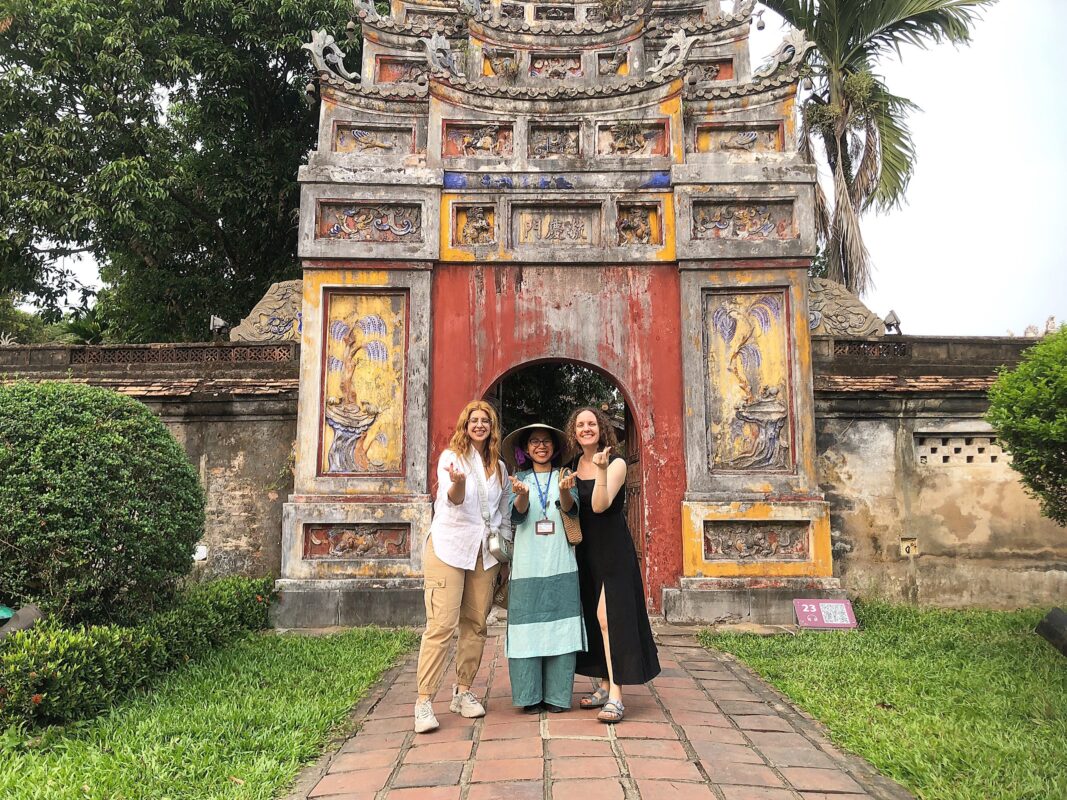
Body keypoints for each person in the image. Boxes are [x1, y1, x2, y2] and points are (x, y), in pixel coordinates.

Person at [414, 400, 510, 734]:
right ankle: (424, 701)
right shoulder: (451, 459)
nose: (480, 425)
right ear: (464, 425)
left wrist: (504, 552)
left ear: (492, 427)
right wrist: (457, 483)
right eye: (474, 420)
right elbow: (451, 499)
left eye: (486, 420)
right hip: (449, 547)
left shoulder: (499, 467)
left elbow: (504, 513)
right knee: (441, 624)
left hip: (484, 552)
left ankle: (463, 691)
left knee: (476, 623)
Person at [566, 406, 660, 723]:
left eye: (591, 423)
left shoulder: (616, 463)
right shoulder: (571, 465)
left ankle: (617, 696)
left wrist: (601, 471)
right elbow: (568, 508)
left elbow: (599, 505)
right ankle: (604, 685)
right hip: (584, 551)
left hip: (613, 550)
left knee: (609, 618)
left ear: (601, 427)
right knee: (594, 619)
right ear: (574, 432)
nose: (586, 428)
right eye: (580, 424)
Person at [502, 423, 586, 713]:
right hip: (527, 564)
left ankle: (558, 696)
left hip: (560, 559)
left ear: (555, 447)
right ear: (525, 450)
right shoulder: (519, 479)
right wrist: (522, 495)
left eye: (546, 441)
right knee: (527, 628)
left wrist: (564, 491)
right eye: (535, 442)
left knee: (561, 626)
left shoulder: (565, 475)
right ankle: (528, 695)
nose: (541, 446)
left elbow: (571, 508)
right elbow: (518, 515)